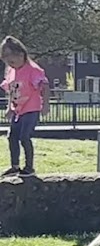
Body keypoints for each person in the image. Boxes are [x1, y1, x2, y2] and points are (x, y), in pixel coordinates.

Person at [1, 36, 49, 177]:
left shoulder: (32, 70)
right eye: (7, 61)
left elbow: (44, 86)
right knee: (12, 137)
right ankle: (14, 166)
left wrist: (45, 105)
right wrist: (10, 107)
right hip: (18, 110)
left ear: (21, 54)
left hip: (31, 109)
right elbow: (12, 90)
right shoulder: (11, 71)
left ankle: (29, 167)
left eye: (12, 59)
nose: (10, 63)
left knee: (24, 137)